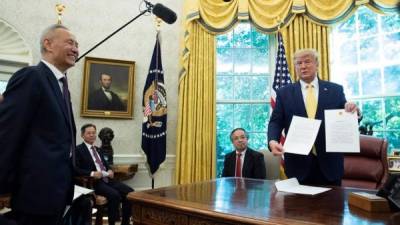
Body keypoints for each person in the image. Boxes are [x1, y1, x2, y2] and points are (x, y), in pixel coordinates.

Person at [0, 24, 79, 225]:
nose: (76, 49)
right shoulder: (32, 76)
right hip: (33, 192)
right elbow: (8, 134)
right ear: (48, 44)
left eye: (77, 45)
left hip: (57, 191)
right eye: (70, 42)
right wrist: (3, 187)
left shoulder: (62, 86)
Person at [268, 48, 361, 186]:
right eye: (299, 63)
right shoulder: (284, 93)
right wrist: (273, 140)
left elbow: (347, 116)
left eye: (307, 62)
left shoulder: (335, 90)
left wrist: (355, 112)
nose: (303, 66)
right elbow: (275, 122)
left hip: (330, 165)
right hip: (297, 165)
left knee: (332, 207)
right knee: (298, 207)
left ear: (317, 64)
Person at [75, 124, 133, 225]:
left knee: (130, 193)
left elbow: (106, 165)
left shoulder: (98, 149)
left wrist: (110, 170)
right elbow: (75, 169)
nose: (92, 135)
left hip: (107, 180)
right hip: (94, 182)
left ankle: (125, 222)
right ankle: (112, 222)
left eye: (93, 133)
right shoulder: (78, 150)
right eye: (89, 133)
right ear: (82, 135)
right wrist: (92, 173)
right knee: (115, 195)